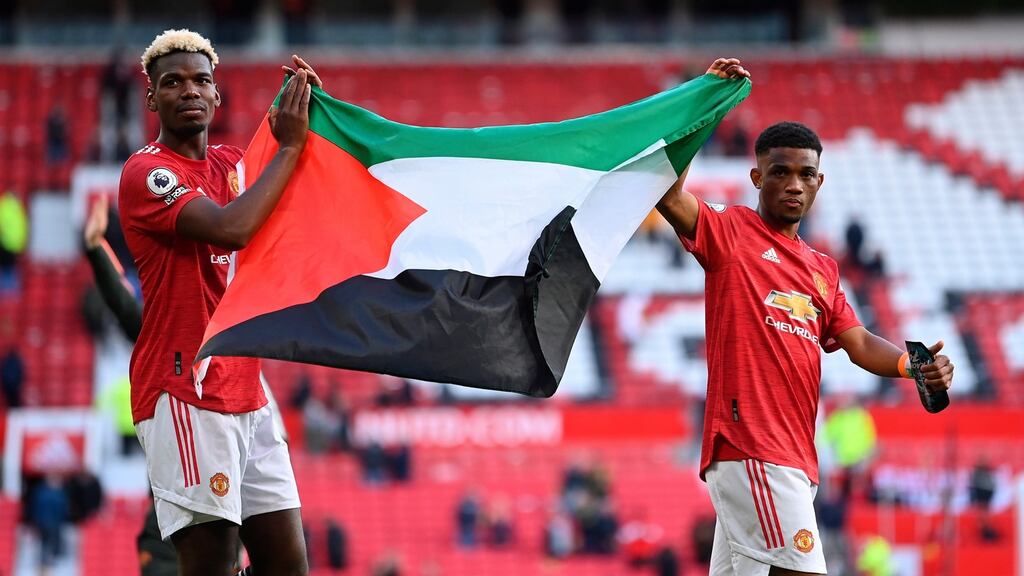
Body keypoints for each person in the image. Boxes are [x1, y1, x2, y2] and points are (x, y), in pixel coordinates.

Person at [654, 58, 955, 576]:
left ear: (820, 182)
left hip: (793, 455)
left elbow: (857, 341)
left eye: (806, 174)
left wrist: (910, 364)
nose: (794, 184)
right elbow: (667, 194)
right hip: (753, 449)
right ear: (756, 177)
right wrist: (703, 105)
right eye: (781, 172)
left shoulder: (822, 270)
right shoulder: (731, 233)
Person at [116, 29, 320, 576]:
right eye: (173, 82)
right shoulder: (147, 173)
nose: (190, 91)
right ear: (151, 98)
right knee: (212, 567)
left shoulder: (233, 164)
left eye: (202, 80)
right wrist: (292, 146)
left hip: (248, 390)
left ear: (217, 96)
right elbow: (232, 228)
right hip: (185, 391)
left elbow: (287, 176)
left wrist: (306, 106)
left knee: (288, 567)